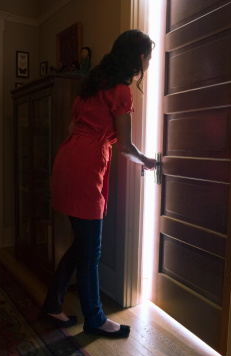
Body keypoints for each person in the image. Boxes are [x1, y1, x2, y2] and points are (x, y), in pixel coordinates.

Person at [41, 29, 156, 338]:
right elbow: (126, 147)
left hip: (67, 159)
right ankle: (95, 318)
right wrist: (147, 160)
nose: (148, 62)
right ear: (138, 57)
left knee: (82, 244)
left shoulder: (91, 86)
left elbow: (71, 126)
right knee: (91, 251)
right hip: (87, 166)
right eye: (147, 57)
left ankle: (52, 302)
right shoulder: (121, 90)